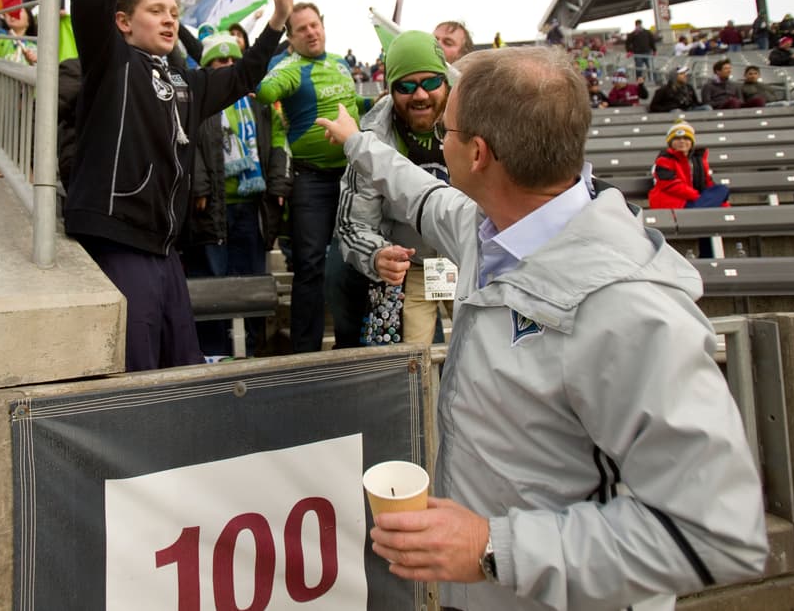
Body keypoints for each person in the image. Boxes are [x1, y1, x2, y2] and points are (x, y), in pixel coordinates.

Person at [314, 48, 767, 610]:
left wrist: (493, 548)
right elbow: (420, 190)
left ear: (477, 153)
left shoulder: (629, 307)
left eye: (448, 131)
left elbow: (717, 533)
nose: (439, 141)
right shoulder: (488, 227)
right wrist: (357, 140)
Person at [62, 0, 291, 372]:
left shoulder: (184, 84)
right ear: (124, 22)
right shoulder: (110, 62)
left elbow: (243, 75)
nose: (169, 20)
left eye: (174, 11)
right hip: (119, 242)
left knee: (180, 370)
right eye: (155, 11)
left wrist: (275, 22)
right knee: (137, 376)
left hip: (167, 253)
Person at [255, 1, 367, 354]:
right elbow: (265, 92)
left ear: (323, 26)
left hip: (352, 177)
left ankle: (353, 345)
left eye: (314, 25)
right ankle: (306, 352)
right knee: (309, 266)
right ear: (290, 37)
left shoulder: (341, 63)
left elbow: (352, 106)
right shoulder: (291, 67)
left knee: (354, 261)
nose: (311, 32)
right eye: (301, 28)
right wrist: (273, 74)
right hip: (311, 182)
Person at [336, 30, 452, 348]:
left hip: (471, 261)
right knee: (412, 368)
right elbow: (353, 224)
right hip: (412, 268)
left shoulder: (477, 122)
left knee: (491, 359)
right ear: (390, 89)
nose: (420, 95)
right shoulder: (371, 140)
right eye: (405, 86)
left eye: (430, 82)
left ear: (446, 81)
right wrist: (377, 254)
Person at [184, 33, 291, 357]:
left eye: (232, 60)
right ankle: (214, 354)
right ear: (206, 66)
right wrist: (199, 185)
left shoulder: (260, 101)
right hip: (212, 209)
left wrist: (278, 185)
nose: (227, 66)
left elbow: (277, 142)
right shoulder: (199, 99)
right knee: (213, 284)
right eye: (219, 60)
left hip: (252, 209)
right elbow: (190, 144)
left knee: (252, 283)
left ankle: (252, 352)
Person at [649, 120, 731, 209]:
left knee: (722, 189)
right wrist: (698, 197)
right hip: (675, 202)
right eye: (677, 138)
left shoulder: (698, 159)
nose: (682, 141)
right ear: (670, 143)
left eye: (686, 138)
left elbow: (708, 183)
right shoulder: (664, 159)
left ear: (691, 142)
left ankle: (700, 208)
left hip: (696, 201)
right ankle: (700, 208)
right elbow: (672, 185)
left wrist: (724, 205)